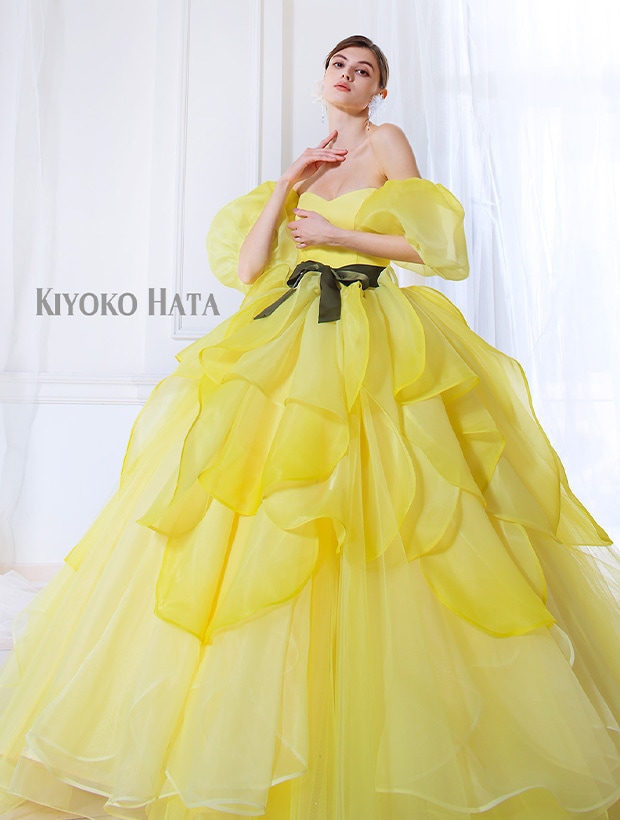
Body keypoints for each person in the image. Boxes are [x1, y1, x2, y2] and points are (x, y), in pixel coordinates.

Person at [0, 33, 619, 820]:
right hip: (293, 332)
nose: (349, 77)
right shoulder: (307, 164)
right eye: (339, 66)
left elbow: (432, 247)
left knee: (394, 497)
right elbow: (248, 269)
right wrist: (289, 186)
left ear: (380, 90)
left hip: (376, 328)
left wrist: (338, 236)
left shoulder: (388, 143)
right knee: (274, 507)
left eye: (365, 71)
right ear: (322, 79)